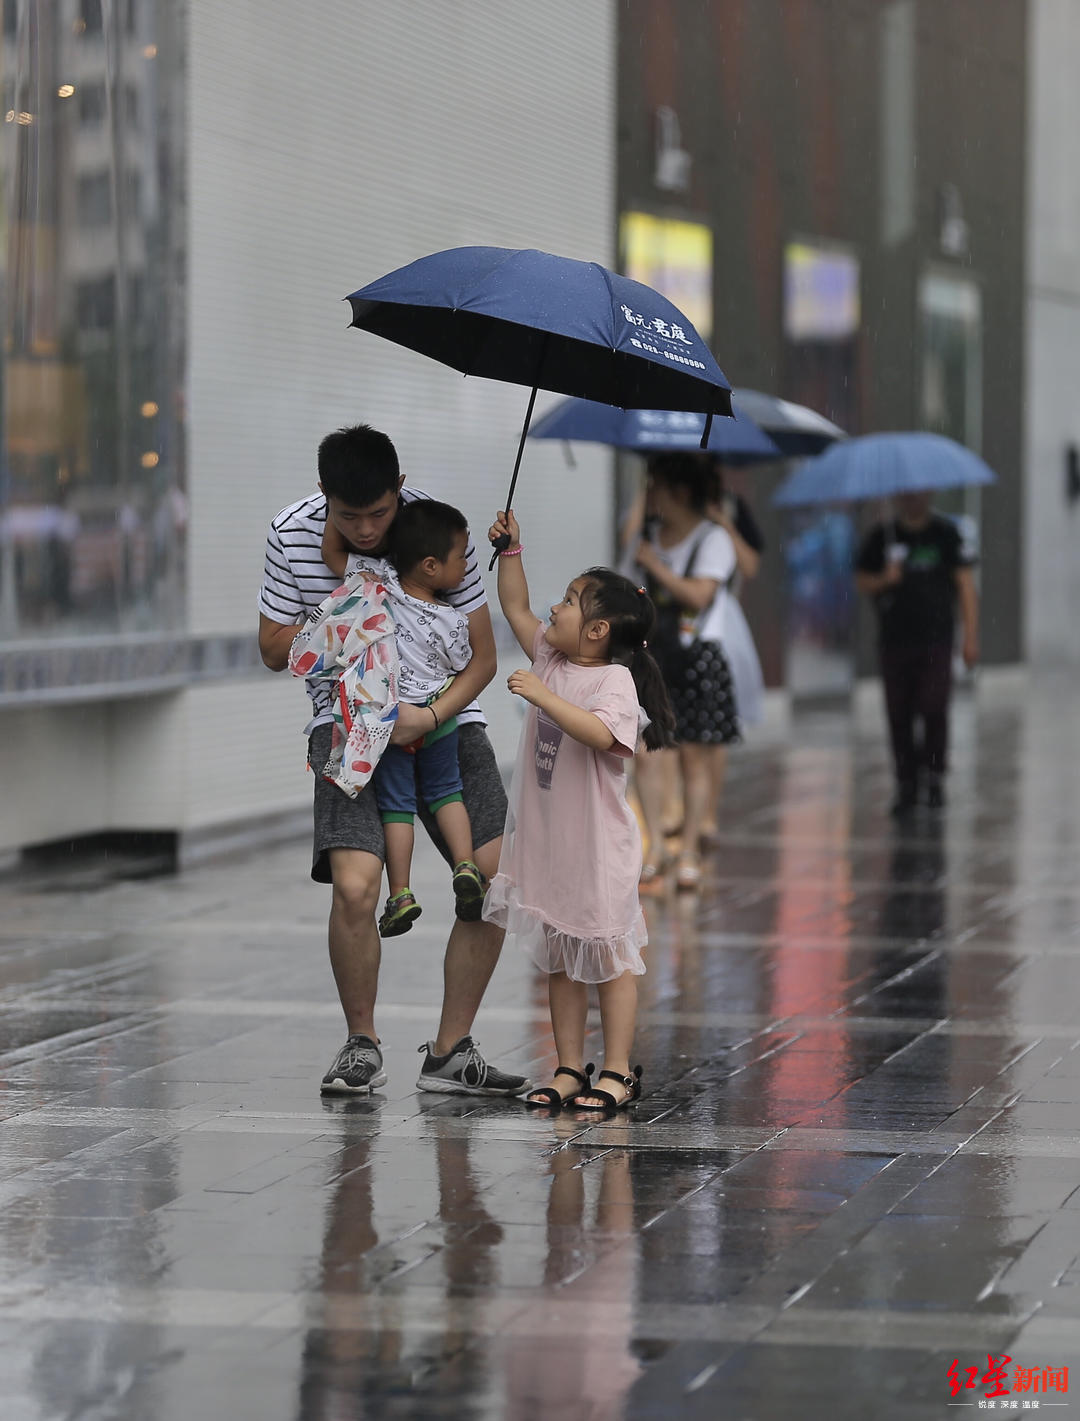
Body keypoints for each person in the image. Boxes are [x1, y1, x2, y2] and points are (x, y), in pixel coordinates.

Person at [258, 424, 529, 1098]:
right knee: (356, 884)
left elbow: (483, 658)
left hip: (444, 719)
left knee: (494, 878)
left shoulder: (437, 528)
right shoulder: (291, 532)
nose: (369, 528)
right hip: (345, 723)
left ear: (399, 488)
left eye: (379, 513)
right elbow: (271, 645)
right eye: (350, 517)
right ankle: (361, 1041)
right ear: (325, 497)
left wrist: (430, 714)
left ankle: (449, 1049)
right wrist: (348, 618)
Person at [483, 507, 676, 1110]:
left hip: (597, 851)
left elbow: (601, 736)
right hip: (550, 846)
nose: (555, 609)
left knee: (611, 957)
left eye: (569, 600)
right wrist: (512, 552)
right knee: (560, 957)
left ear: (596, 631)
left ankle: (617, 1069)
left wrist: (542, 695)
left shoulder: (611, 681)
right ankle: (568, 1066)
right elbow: (516, 607)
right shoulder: (552, 658)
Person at [319, 498, 487, 937]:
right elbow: (462, 662)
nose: (466, 569)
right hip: (437, 719)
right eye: (461, 559)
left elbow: (331, 554)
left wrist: (339, 513)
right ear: (431, 567)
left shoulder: (377, 585)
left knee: (398, 809)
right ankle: (466, 866)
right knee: (448, 792)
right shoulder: (452, 620)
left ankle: (402, 893)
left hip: (388, 724)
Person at [628, 453, 740, 890]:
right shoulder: (646, 535)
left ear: (679, 490)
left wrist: (655, 564)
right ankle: (656, 844)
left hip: (698, 658)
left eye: (655, 484)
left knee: (694, 758)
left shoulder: (714, 539)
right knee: (645, 752)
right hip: (653, 657)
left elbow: (698, 595)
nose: (649, 494)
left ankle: (689, 848)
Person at [854, 490, 979, 814]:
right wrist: (885, 578)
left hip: (936, 640)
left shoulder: (946, 535)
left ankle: (935, 778)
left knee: (934, 708)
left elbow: (965, 585)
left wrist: (970, 637)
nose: (913, 500)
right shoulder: (882, 537)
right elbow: (862, 580)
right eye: (907, 495)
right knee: (899, 715)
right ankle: (906, 782)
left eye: (919, 494)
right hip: (894, 641)